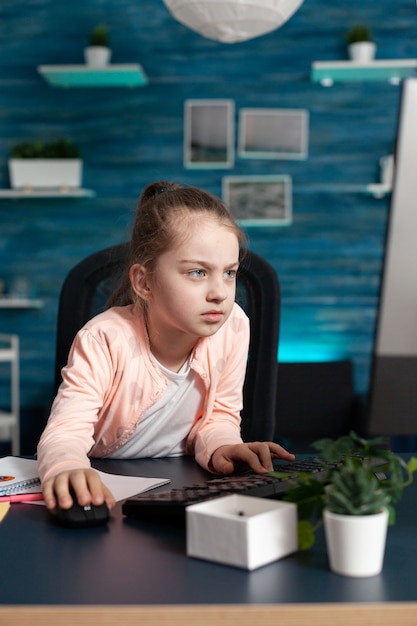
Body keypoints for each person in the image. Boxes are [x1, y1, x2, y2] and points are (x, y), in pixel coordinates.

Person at [37, 181, 294, 514]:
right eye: (197, 272)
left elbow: (218, 418)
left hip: (184, 491)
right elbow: (65, 431)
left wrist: (224, 447)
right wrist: (65, 466)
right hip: (107, 492)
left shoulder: (233, 327)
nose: (219, 292)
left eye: (229, 273)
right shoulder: (103, 338)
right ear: (144, 282)